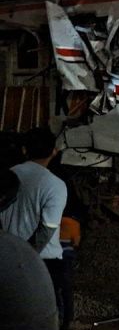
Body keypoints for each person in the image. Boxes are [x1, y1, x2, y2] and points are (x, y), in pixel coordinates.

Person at [0, 128, 68, 306]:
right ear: (54, 152)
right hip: (43, 261)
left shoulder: (7, 175)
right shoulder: (55, 185)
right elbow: (46, 230)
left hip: (7, 256)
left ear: (24, 150)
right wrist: (27, 259)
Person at [57, 210, 81, 330]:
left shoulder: (57, 220)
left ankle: (57, 317)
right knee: (67, 290)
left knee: (55, 288)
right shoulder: (75, 224)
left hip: (52, 257)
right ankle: (67, 322)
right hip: (66, 259)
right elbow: (76, 242)